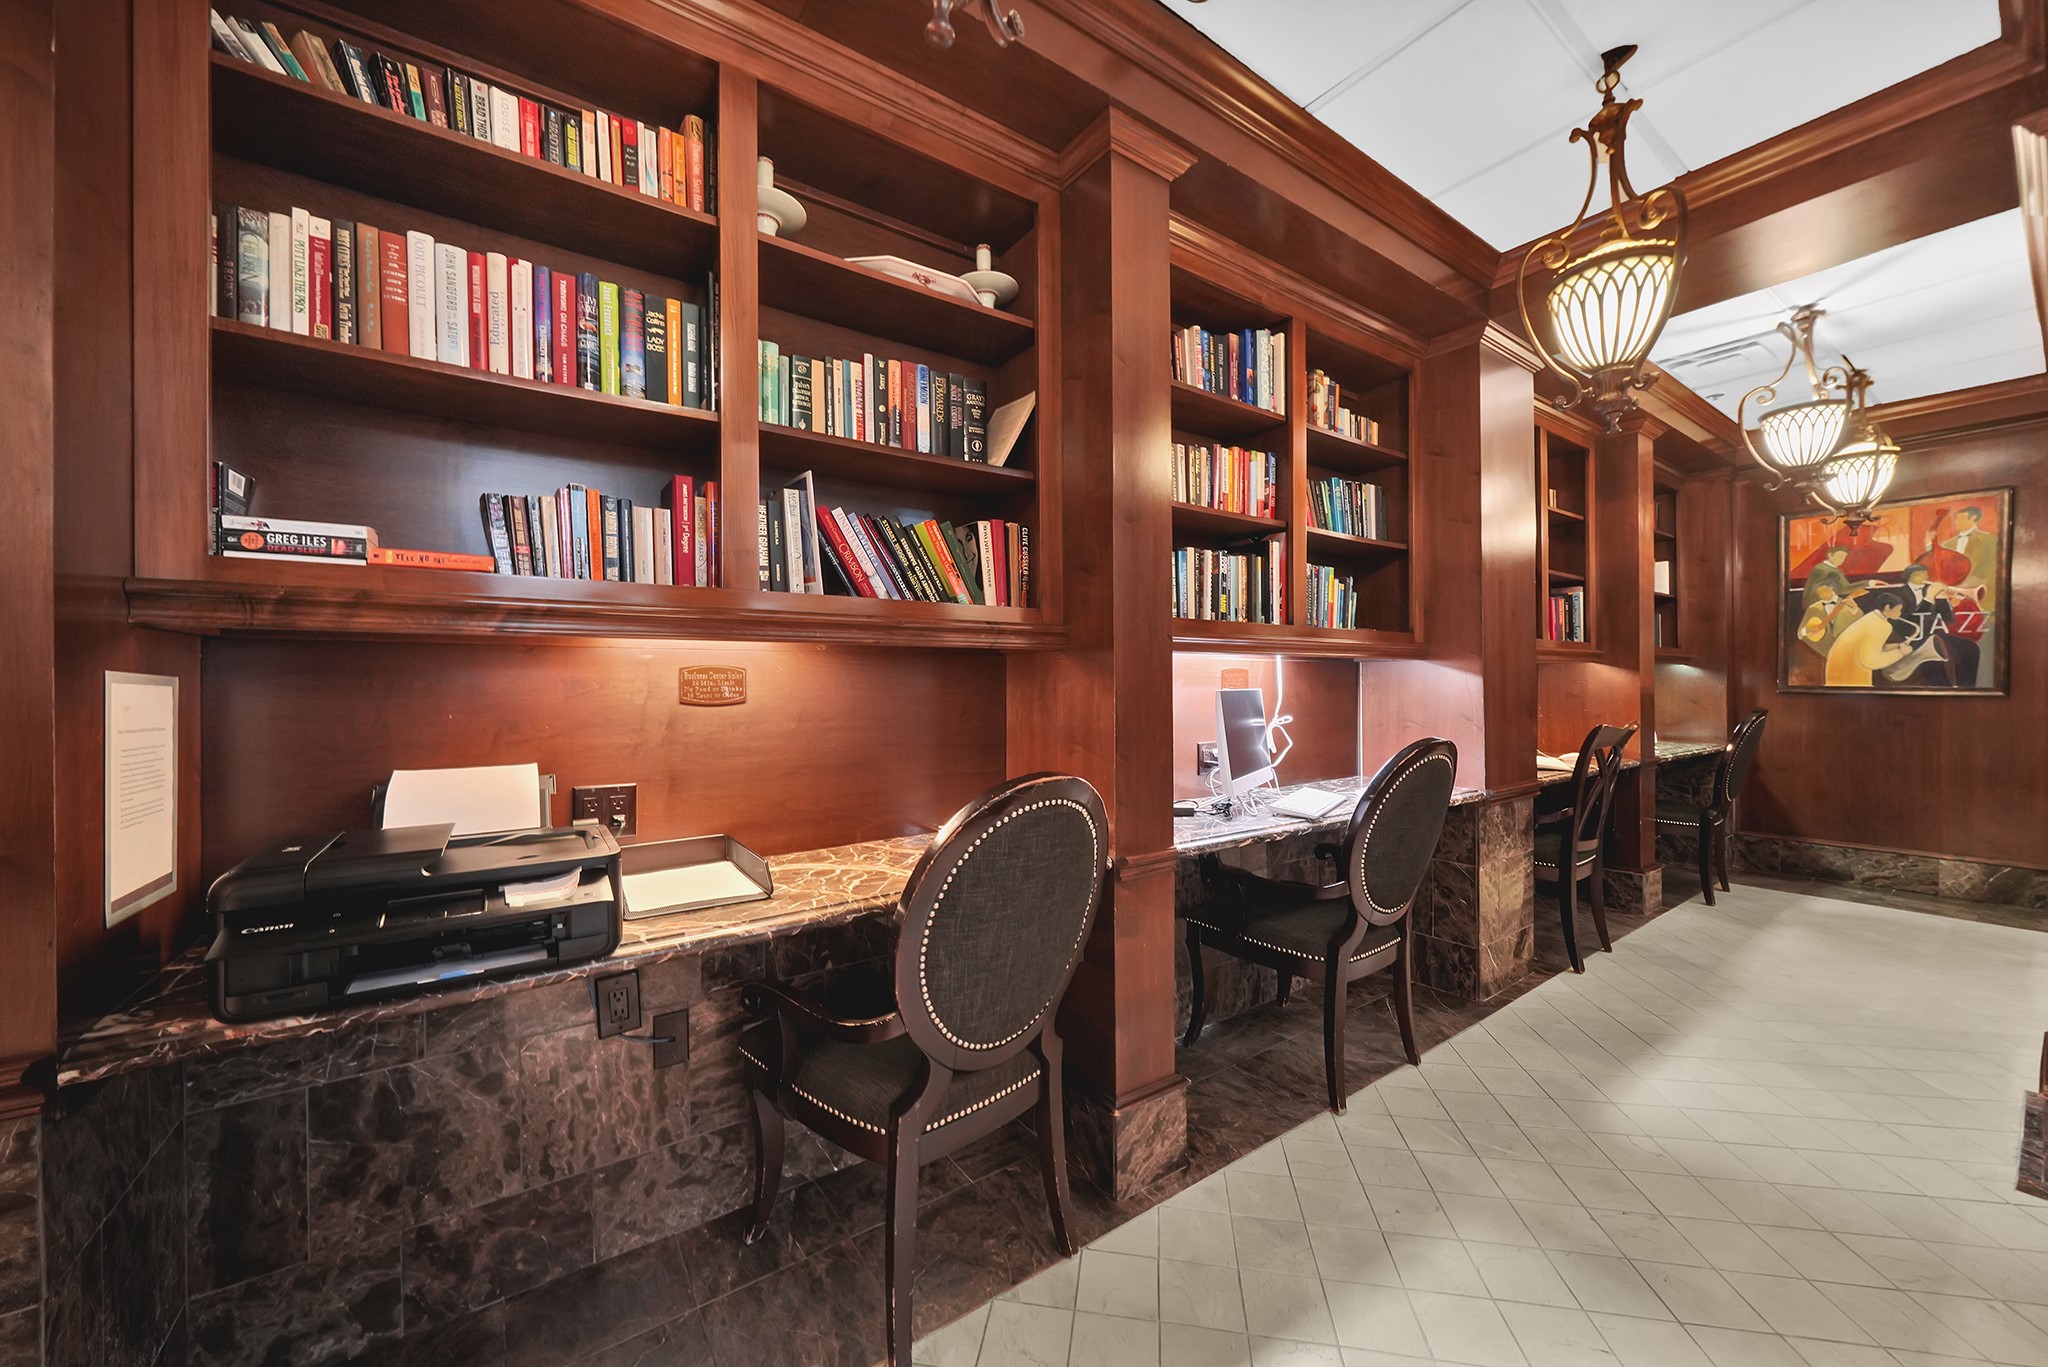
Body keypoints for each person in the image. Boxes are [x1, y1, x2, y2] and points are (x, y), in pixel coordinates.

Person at [1825, 592, 1913, 687]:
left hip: (1838, 676)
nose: (1900, 614)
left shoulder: (1871, 618)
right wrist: (1900, 653)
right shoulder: (1882, 626)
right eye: (1898, 610)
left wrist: (1897, 646)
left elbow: (1872, 648)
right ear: (1887, 607)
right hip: (1852, 679)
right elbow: (1870, 661)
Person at [1797, 581, 1861, 658]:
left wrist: (1854, 607)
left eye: (1823, 591)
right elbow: (1800, 633)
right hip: (1824, 653)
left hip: (1848, 651)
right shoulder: (1813, 609)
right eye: (1819, 593)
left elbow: (1861, 622)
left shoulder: (1849, 604)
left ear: (1831, 588)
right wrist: (1808, 630)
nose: (1820, 595)